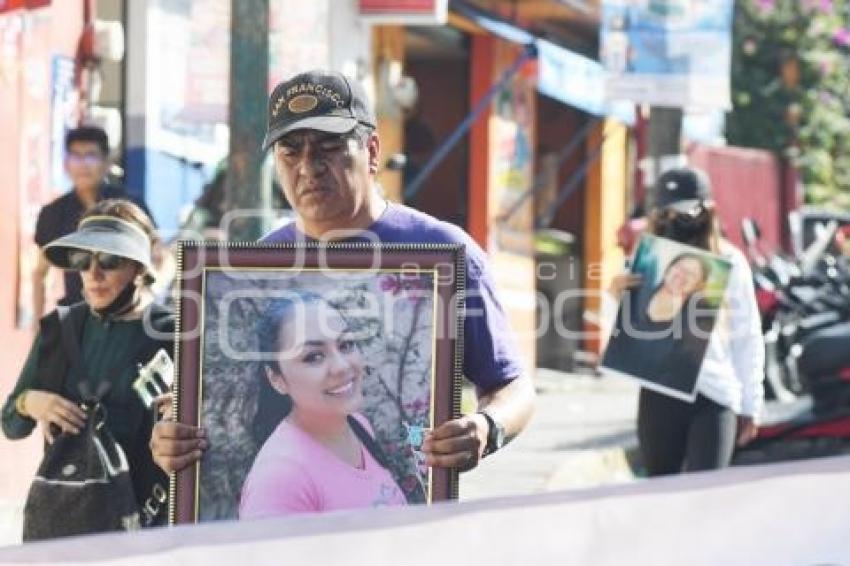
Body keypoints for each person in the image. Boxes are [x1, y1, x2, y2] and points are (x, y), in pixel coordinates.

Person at [151, 69, 535, 477]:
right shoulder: (256, 269)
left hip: (400, 525)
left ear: (371, 152)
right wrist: (172, 434)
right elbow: (221, 401)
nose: (308, 167)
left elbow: (512, 387)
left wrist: (486, 427)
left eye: (329, 148)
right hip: (285, 521)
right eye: (290, 152)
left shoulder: (443, 253)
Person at [2, 199, 175, 531]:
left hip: (144, 524)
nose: (94, 274)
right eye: (83, 260)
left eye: (110, 260)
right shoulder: (60, 328)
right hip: (64, 523)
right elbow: (11, 424)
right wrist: (30, 402)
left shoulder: (175, 333)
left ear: (138, 268)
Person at [607, 166, 765, 476]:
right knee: (661, 496)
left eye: (688, 210)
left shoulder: (731, 261)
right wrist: (615, 296)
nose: (679, 219)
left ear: (708, 210)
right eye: (669, 211)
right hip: (660, 392)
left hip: (716, 396)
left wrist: (751, 404)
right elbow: (622, 339)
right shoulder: (647, 260)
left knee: (705, 499)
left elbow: (747, 336)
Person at [239, 292, 407, 519]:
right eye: (313, 357)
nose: (341, 366)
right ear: (276, 379)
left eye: (346, 345)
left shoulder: (358, 425)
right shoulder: (279, 480)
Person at [32, 126, 153, 327]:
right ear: (65, 163)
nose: (83, 165)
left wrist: (149, 292)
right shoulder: (53, 213)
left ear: (106, 162)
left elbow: (161, 256)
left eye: (91, 156)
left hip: (127, 315)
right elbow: (39, 273)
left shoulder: (129, 205)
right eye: (76, 156)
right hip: (76, 321)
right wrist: (38, 327)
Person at [604, 251, 716, 395]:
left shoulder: (694, 323)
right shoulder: (635, 295)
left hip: (659, 397)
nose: (682, 275)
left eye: (691, 274)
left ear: (698, 286)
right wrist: (612, 295)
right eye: (679, 267)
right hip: (615, 386)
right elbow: (606, 332)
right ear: (668, 269)